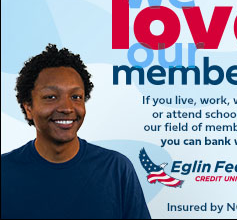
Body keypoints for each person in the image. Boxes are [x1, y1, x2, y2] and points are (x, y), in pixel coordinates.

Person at [1, 44, 151, 219]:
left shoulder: (116, 169)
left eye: (76, 97)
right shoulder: (5, 172)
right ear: (28, 108)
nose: (67, 108)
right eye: (51, 97)